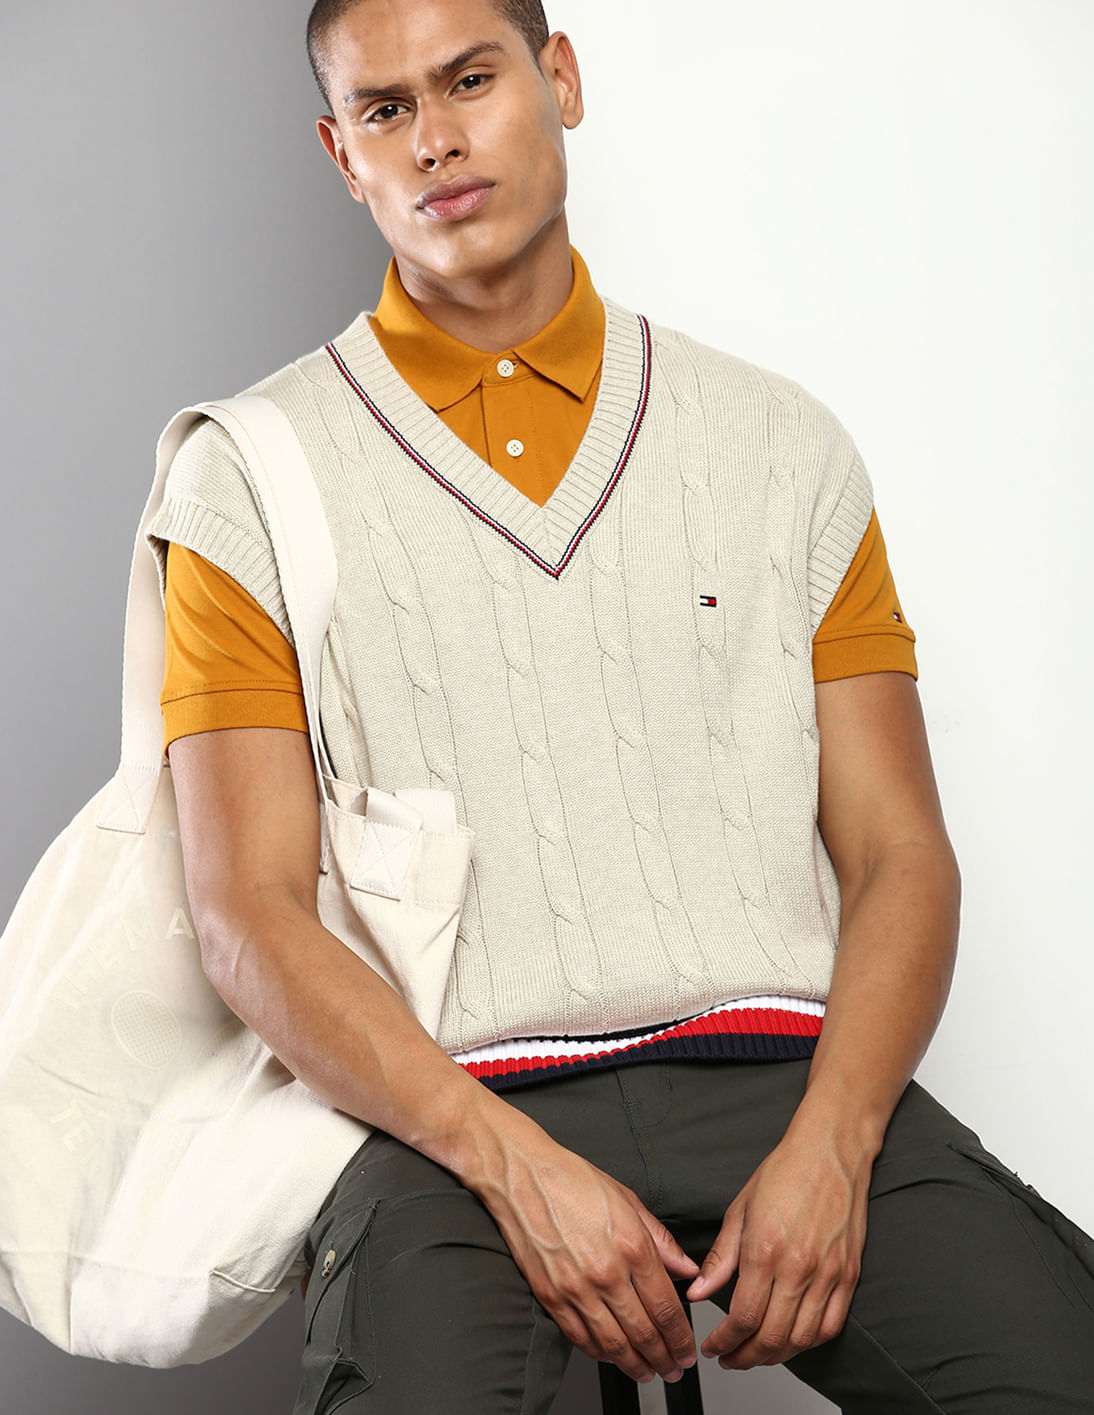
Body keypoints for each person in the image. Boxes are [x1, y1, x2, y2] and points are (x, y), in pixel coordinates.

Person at [150, 1, 1094, 1410]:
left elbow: (900, 851)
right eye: (387, 110)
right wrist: (508, 1165)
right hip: (443, 1115)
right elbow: (247, 914)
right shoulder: (246, 477)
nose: (435, 139)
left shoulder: (777, 445)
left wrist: (837, 1144)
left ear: (561, 78)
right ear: (342, 155)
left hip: (789, 1075)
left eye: (471, 79)